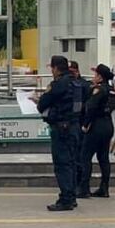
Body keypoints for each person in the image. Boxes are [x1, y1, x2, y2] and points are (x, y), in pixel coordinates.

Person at [35, 55, 83, 212]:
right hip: (75, 127)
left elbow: (43, 104)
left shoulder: (58, 84)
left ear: (55, 68)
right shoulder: (76, 82)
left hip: (62, 129)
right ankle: (72, 196)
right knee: (72, 163)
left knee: (62, 164)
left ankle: (66, 199)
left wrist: (37, 100)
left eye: (52, 68)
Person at [82, 64, 115, 197]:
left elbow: (90, 108)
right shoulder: (112, 90)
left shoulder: (98, 90)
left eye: (96, 75)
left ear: (100, 77)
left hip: (96, 125)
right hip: (108, 125)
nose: (94, 77)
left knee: (85, 156)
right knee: (103, 158)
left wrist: (85, 124)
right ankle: (104, 187)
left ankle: (84, 188)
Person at [69, 61, 93, 199]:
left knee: (80, 157)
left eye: (72, 71)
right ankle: (78, 185)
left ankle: (82, 186)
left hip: (81, 124)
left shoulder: (84, 85)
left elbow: (88, 106)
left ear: (77, 71)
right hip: (76, 123)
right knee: (76, 156)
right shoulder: (70, 84)